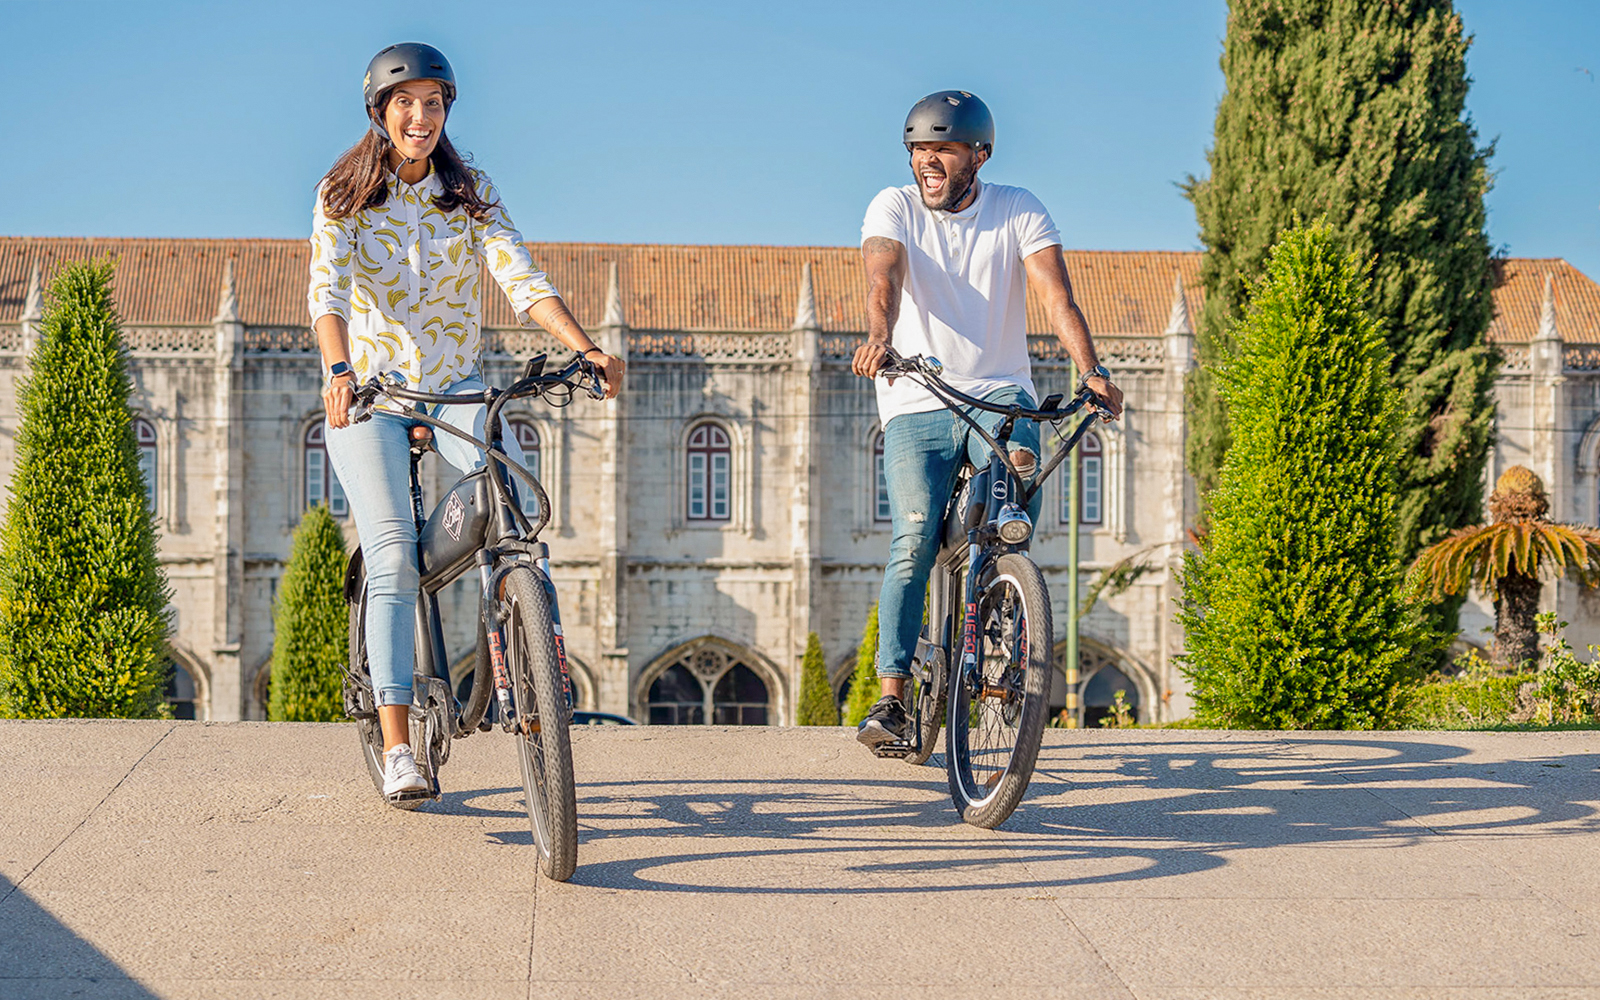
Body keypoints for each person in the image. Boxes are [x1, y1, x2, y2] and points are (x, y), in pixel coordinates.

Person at [307, 43, 623, 799]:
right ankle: (396, 748)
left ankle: (527, 667)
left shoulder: (469, 191)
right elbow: (328, 291)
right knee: (391, 555)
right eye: (406, 103)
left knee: (511, 520)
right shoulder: (344, 194)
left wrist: (584, 348)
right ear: (381, 113)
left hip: (456, 386)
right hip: (376, 396)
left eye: (433, 103)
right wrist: (339, 370)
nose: (421, 116)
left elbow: (518, 274)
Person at [851, 90, 1124, 748]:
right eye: (920, 150)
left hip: (1002, 395)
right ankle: (890, 697)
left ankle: (1001, 616)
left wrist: (1091, 369)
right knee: (913, 537)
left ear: (979, 154)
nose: (928, 163)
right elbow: (882, 279)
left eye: (943, 150)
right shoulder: (893, 205)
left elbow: (1055, 296)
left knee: (1008, 523)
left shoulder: (1017, 209)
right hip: (919, 395)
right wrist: (879, 335)